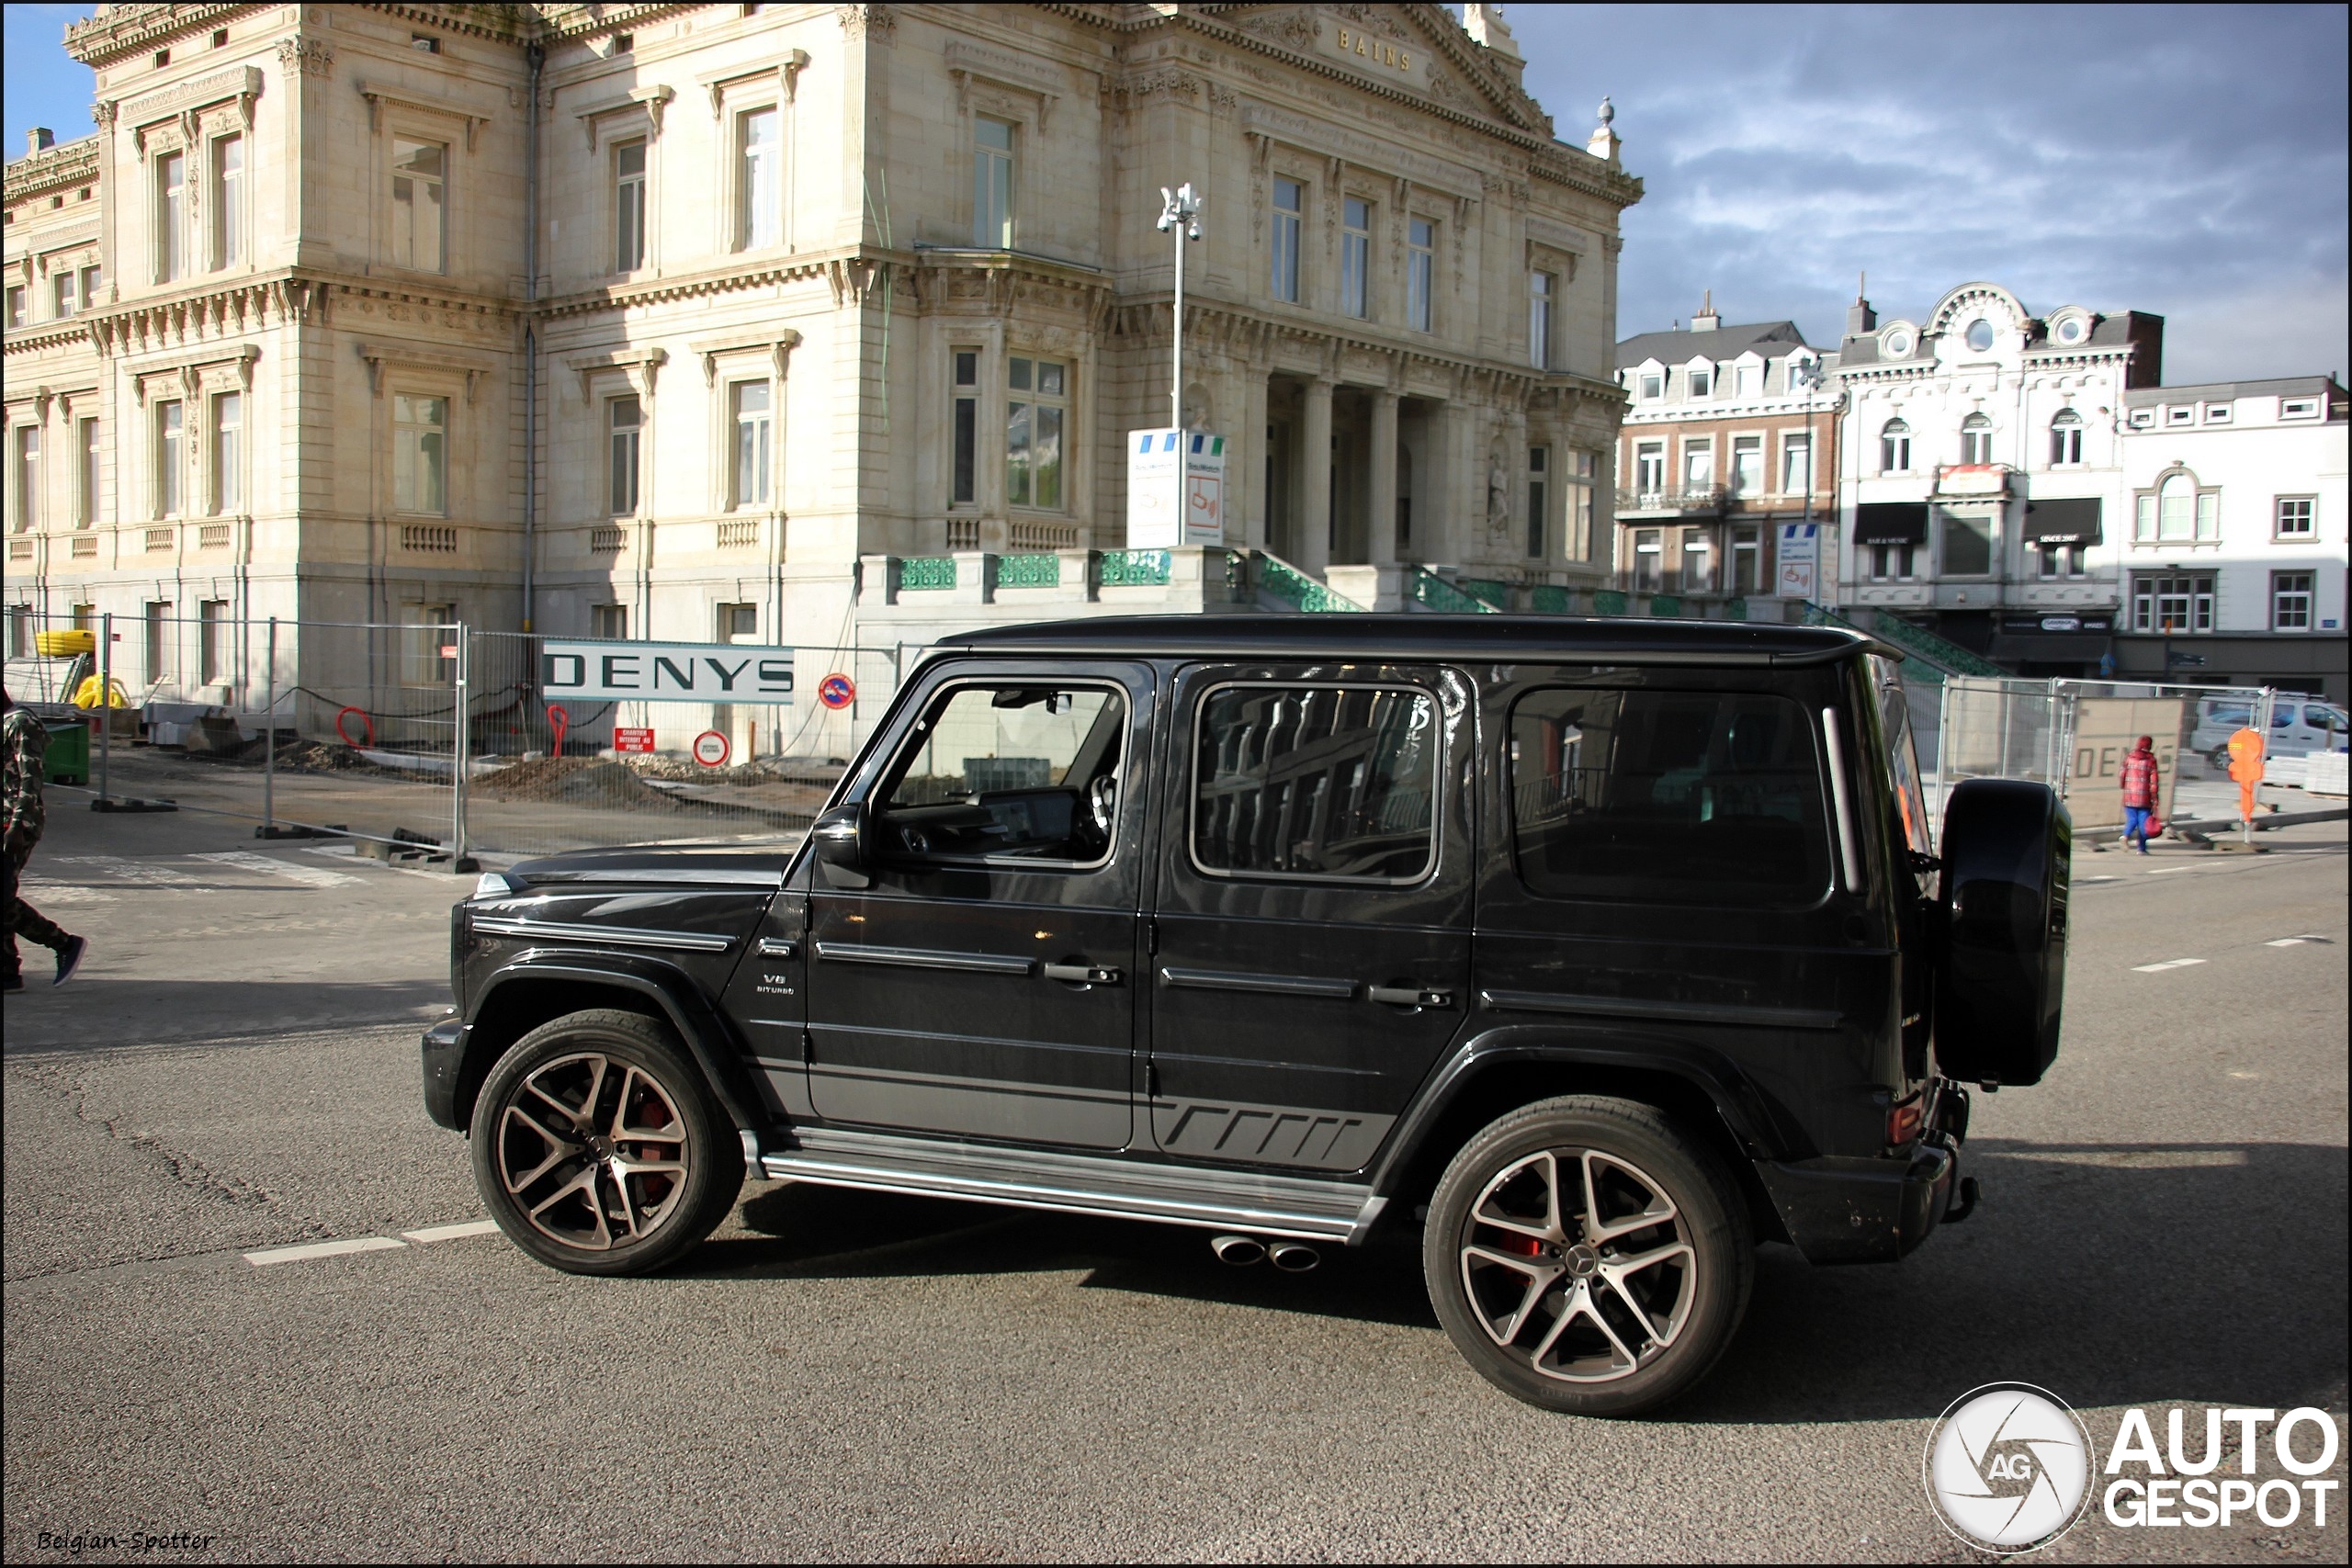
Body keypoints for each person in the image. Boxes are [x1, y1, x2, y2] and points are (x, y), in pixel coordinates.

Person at [3, 689, 87, 991]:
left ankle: (64, 944)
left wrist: (18, 824)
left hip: (15, 823)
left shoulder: (21, 724)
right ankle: (7, 971)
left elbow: (31, 777)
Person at [2120, 733, 2161, 855]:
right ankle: (2141, 849)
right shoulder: (2151, 760)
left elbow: (2122, 774)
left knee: (2132, 819)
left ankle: (2125, 835)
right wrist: (2155, 797)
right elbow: (2154, 782)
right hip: (2144, 797)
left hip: (2129, 796)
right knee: (2144, 824)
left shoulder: (2129, 757)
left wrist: (2124, 786)